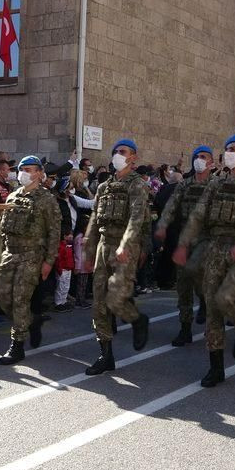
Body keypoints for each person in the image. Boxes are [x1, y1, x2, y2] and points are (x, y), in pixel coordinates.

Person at [172, 135, 235, 387]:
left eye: (233, 149)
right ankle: (216, 367)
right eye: (226, 149)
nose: (229, 153)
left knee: (225, 298)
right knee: (213, 307)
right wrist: (184, 243)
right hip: (214, 247)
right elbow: (199, 213)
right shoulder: (216, 183)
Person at [82, 138, 152, 375]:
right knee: (99, 304)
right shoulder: (104, 187)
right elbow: (94, 218)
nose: (117, 155)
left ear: (133, 158)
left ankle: (137, 320)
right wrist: (88, 246)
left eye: (123, 152)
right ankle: (106, 355)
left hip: (124, 248)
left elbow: (137, 219)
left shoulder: (137, 185)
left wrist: (127, 245)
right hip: (104, 246)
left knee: (116, 299)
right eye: (115, 152)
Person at [0, 155, 62, 364]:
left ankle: (17, 345)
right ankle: (29, 321)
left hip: (32, 255)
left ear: (40, 173)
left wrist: (49, 261)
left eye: (32, 169)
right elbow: (2, 228)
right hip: (9, 253)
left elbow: (54, 232)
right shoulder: (12, 196)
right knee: (2, 297)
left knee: (20, 298)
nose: (26, 172)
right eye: (23, 168)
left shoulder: (46, 199)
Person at [155, 145, 213, 344]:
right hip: (185, 242)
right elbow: (171, 207)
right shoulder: (185, 185)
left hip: (207, 242)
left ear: (211, 162)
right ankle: (185, 328)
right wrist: (162, 225)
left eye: (204, 157)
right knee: (183, 286)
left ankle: (209, 317)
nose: (199, 160)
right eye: (197, 156)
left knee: (204, 284)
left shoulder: (217, 185)